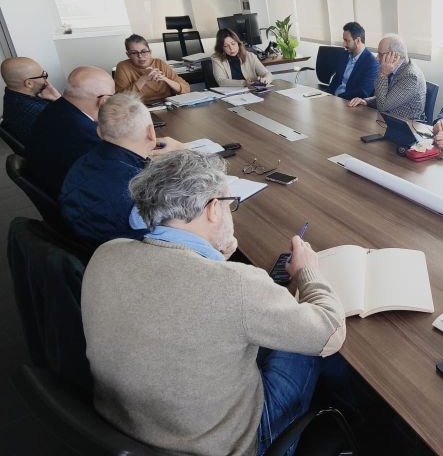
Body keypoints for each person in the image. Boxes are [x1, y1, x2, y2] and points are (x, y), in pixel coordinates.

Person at [81, 150, 346, 456]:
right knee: (308, 345)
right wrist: (306, 271)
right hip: (225, 445)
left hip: (125, 432)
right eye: (229, 204)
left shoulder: (107, 253)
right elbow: (330, 331)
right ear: (212, 209)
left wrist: (213, 257)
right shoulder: (237, 284)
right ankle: (358, 415)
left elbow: (182, 294)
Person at [59, 93, 182, 248]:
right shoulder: (142, 188)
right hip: (133, 252)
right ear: (151, 132)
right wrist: (183, 154)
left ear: (99, 132)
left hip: (90, 246)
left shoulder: (84, 161)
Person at [25, 66, 114, 199]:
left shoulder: (56, 108)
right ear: (103, 101)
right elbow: (115, 173)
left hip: (57, 184)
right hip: (81, 199)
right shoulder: (85, 133)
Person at [347, 33, 427, 120]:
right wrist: (366, 101)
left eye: (380, 54)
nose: (377, 58)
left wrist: (383, 74)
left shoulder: (410, 77)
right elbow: (386, 97)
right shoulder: (397, 67)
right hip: (387, 119)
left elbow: (383, 106)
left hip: (405, 124)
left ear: (395, 56)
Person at [0, 56, 61, 146]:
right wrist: (59, 99)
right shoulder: (40, 112)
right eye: (43, 76)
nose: (45, 81)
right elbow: (77, 127)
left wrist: (57, 100)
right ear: (29, 83)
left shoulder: (11, 96)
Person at [114, 34, 190, 101]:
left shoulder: (160, 63)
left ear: (150, 51)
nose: (140, 56)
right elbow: (120, 99)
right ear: (128, 55)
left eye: (144, 51)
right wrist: (143, 79)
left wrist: (165, 79)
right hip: (140, 107)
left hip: (168, 104)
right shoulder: (123, 67)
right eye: (134, 53)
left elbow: (186, 89)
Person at [328, 22, 379, 100]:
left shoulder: (372, 63)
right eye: (344, 40)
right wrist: (328, 96)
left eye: (347, 40)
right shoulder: (344, 55)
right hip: (334, 99)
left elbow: (363, 92)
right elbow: (336, 79)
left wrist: (338, 98)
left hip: (349, 102)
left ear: (358, 40)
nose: (344, 44)